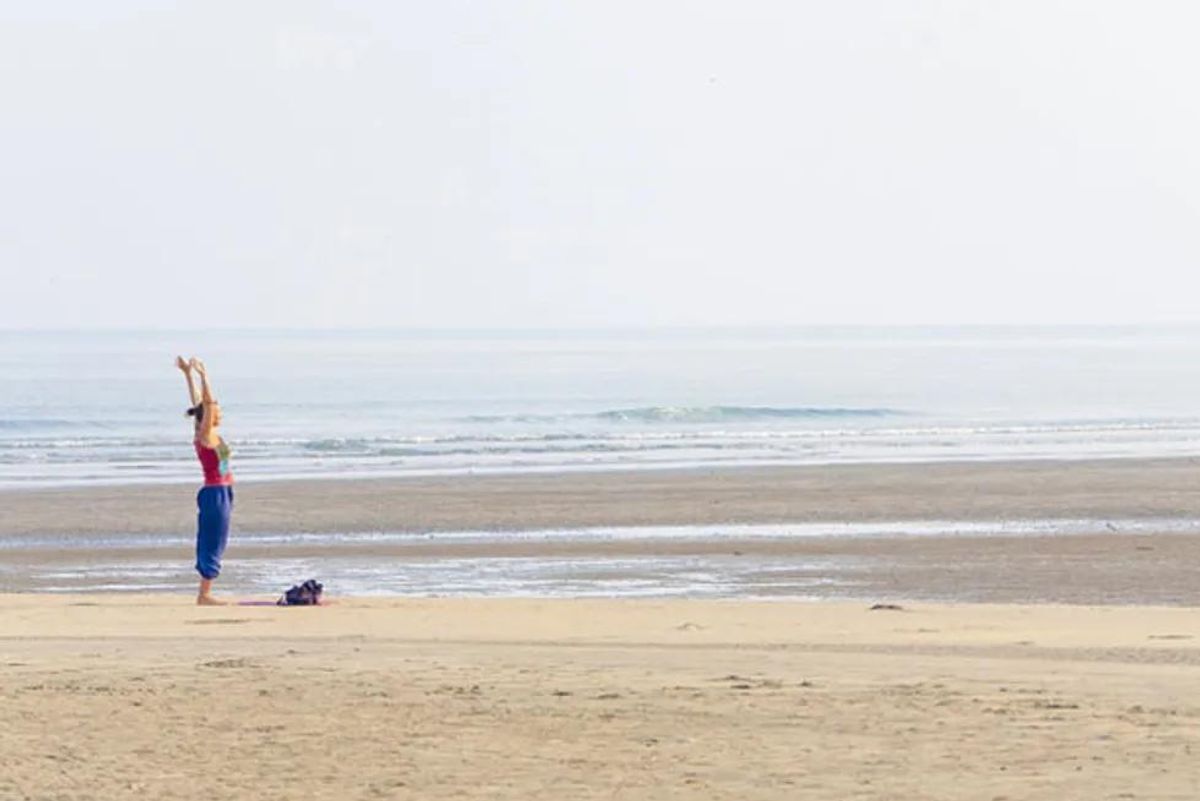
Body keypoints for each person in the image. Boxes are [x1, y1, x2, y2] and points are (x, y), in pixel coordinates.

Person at [176, 356, 234, 605]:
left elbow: (200, 405)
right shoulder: (205, 434)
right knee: (213, 539)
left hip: (223, 492)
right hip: (215, 493)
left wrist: (188, 375)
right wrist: (204, 375)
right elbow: (207, 405)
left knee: (216, 538)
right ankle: (205, 594)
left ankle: (205, 591)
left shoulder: (208, 433)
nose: (219, 413)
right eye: (216, 411)